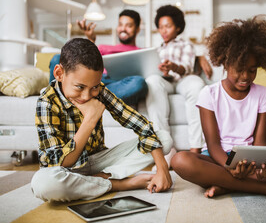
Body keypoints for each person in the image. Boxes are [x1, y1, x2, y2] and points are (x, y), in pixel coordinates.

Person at [170, 16, 266, 200]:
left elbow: (260, 142)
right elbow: (213, 145)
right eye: (239, 69)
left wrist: (265, 167)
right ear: (225, 63)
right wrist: (231, 167)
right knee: (181, 160)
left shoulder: (262, 93)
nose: (246, 76)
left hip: (252, 161)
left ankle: (230, 184)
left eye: (252, 70)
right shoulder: (209, 93)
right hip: (218, 160)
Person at [31, 38, 173, 202]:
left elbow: (140, 124)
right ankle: (118, 184)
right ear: (59, 74)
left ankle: (99, 179)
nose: (87, 96)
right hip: (64, 169)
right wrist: (90, 119)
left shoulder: (99, 91)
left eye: (94, 87)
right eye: (80, 87)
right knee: (45, 184)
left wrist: (163, 170)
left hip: (98, 161)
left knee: (164, 139)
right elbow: (61, 162)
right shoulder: (46, 102)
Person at [48, 9, 147, 106]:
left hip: (115, 85)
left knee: (139, 83)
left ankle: (90, 97)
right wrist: (91, 39)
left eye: (129, 26)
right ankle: (56, 97)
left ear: (137, 29)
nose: (123, 29)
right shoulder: (103, 48)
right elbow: (85, 59)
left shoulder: (143, 52)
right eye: (120, 25)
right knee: (58, 58)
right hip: (93, 80)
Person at [145, 5, 205, 155]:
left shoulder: (186, 45)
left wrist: (173, 66)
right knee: (152, 81)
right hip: (166, 82)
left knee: (197, 84)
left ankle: (196, 148)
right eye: (160, 27)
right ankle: (166, 149)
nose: (163, 30)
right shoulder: (155, 50)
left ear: (177, 28)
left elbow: (187, 68)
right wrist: (162, 71)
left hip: (182, 80)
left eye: (168, 26)